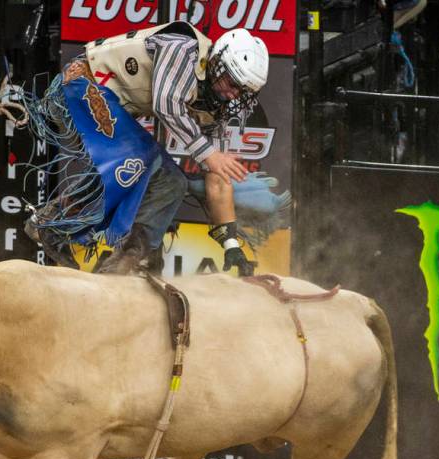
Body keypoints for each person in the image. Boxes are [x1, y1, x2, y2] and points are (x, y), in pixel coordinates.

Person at [25, 22, 269, 276]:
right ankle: (50, 223)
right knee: (138, 157)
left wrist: (231, 245)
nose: (232, 95)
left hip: (108, 105)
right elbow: (166, 104)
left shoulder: (216, 107)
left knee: (173, 182)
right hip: (80, 87)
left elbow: (218, 179)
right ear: (217, 62)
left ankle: (124, 263)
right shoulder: (182, 50)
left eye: (241, 91)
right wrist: (208, 153)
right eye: (231, 81)